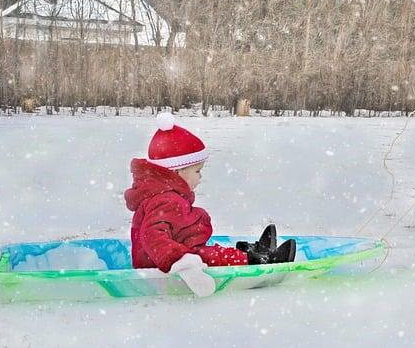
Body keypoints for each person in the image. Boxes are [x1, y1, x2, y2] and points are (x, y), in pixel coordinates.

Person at [124, 112, 295, 294]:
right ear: (177, 172)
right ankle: (259, 261)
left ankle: (252, 253)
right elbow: (152, 236)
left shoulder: (164, 195)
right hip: (164, 262)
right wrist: (181, 262)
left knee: (211, 252)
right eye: (197, 171)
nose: (200, 176)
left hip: (170, 254)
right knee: (212, 256)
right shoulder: (166, 200)